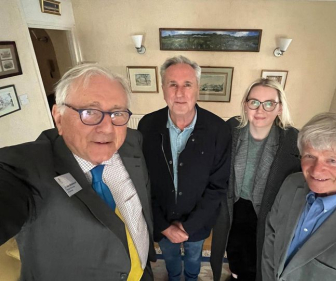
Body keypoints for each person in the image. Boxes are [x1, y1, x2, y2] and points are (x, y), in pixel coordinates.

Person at [0, 64, 156, 281]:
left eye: (117, 113)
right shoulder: (28, 167)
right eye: (90, 112)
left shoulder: (132, 141)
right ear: (59, 117)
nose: (107, 128)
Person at [138, 55, 231, 281]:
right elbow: (143, 180)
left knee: (193, 258)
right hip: (162, 222)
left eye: (187, 84)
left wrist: (189, 226)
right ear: (163, 89)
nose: (180, 93)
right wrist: (163, 225)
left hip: (198, 224)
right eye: (173, 84)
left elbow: (218, 186)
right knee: (170, 258)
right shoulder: (147, 126)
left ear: (197, 88)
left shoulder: (219, 129)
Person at [262, 112, 336, 281]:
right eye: (310, 156)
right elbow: (271, 240)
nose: (315, 170)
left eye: (332, 160)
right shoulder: (291, 184)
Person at [211, 78, 301, 281]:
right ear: (245, 104)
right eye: (254, 102)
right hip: (234, 207)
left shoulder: (292, 140)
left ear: (279, 108)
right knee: (235, 255)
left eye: (269, 103)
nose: (261, 110)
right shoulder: (231, 129)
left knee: (260, 260)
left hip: (268, 211)